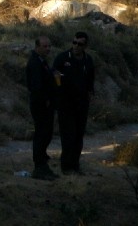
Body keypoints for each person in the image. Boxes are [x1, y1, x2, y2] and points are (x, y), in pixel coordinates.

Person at [53, 30, 96, 175]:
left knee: (78, 136)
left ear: (85, 46)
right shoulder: (63, 58)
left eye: (80, 44)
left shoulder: (88, 60)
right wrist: (58, 86)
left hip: (81, 104)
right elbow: (54, 75)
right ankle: (66, 167)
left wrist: (90, 93)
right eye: (74, 43)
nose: (76, 46)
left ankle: (75, 165)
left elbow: (91, 80)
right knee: (68, 136)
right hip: (65, 104)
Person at [25, 35, 58, 180]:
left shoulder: (41, 61)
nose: (48, 49)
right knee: (42, 134)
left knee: (46, 133)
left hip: (45, 103)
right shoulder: (35, 63)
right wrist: (45, 100)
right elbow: (36, 86)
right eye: (45, 46)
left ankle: (42, 165)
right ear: (37, 47)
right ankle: (39, 166)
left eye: (49, 46)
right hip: (40, 104)